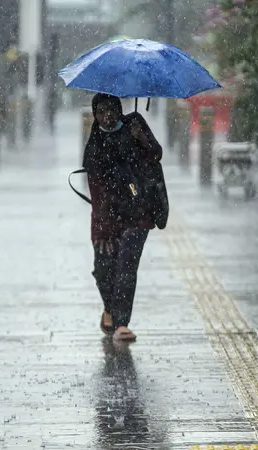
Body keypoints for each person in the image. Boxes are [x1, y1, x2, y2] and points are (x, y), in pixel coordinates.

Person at [84, 93, 162, 342]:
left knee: (127, 267)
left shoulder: (134, 125)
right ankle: (109, 308)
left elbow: (155, 155)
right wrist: (105, 229)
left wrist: (141, 139)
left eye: (111, 109)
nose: (107, 115)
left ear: (119, 109)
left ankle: (121, 322)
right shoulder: (95, 142)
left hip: (138, 213)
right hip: (106, 217)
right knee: (103, 270)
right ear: (95, 114)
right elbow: (96, 190)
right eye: (101, 111)